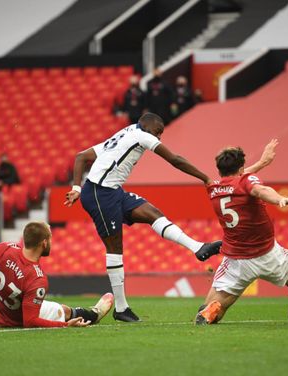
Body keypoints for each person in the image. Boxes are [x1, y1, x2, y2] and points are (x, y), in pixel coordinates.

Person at [64, 113, 272, 322]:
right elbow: (175, 160)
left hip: (114, 191)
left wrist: (75, 188)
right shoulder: (142, 135)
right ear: (148, 125)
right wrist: (206, 178)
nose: (159, 137)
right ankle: (121, 307)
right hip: (100, 194)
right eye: (159, 131)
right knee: (115, 247)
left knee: (153, 214)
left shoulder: (125, 133)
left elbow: (82, 156)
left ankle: (197, 247)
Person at [194, 144, 288, 325]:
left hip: (236, 259)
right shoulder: (247, 181)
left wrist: (262, 163)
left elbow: (235, 179)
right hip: (267, 253)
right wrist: (280, 199)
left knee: (211, 305)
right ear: (241, 168)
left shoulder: (213, 188)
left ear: (219, 170)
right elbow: (261, 190)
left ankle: (209, 311)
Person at [0, 221, 114, 328]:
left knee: (50, 306)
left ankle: (89, 314)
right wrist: (63, 326)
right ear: (44, 243)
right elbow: (30, 321)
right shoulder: (37, 279)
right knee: (62, 311)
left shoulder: (4, 248)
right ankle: (94, 314)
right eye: (50, 239)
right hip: (13, 321)